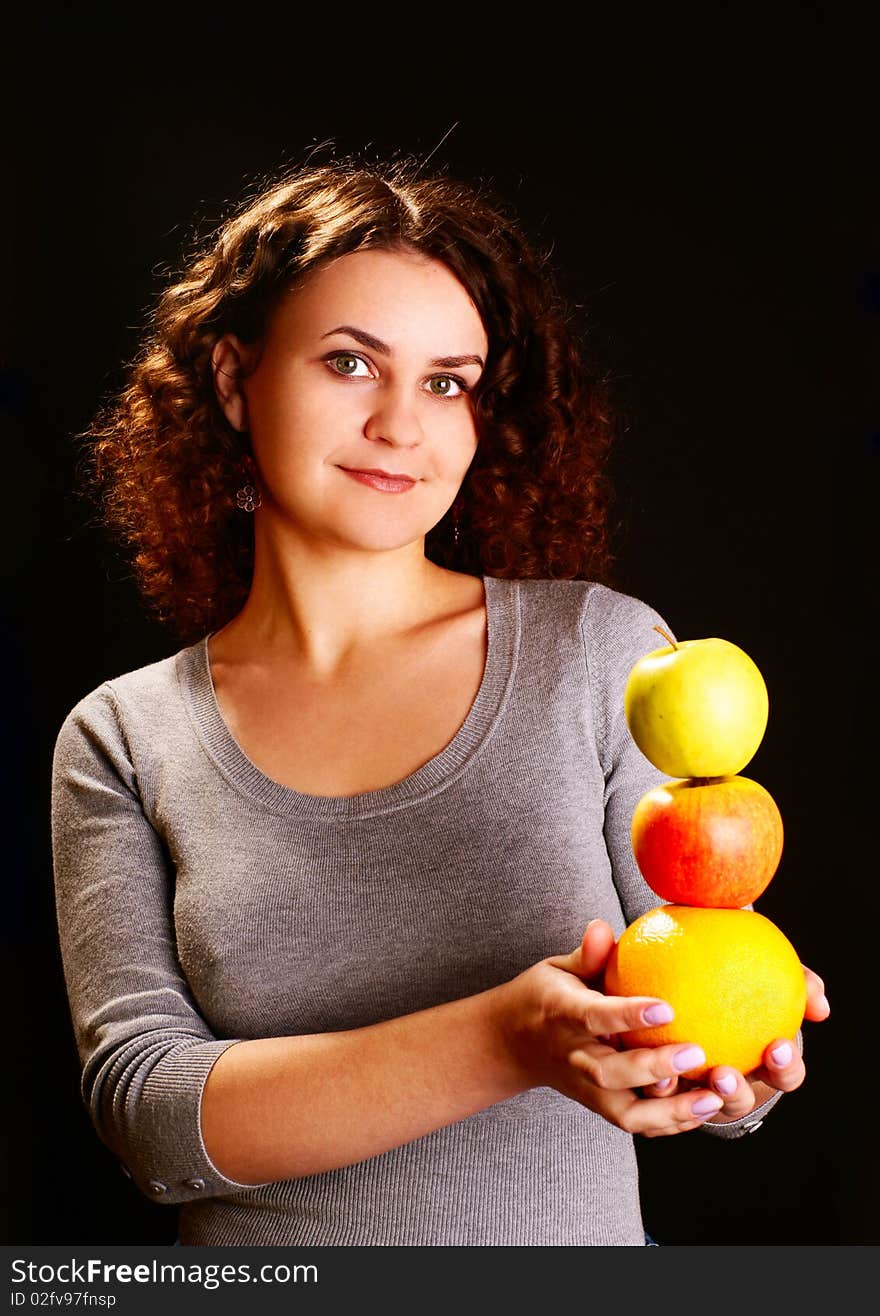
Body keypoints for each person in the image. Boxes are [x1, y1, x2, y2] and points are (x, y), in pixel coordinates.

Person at [50, 156, 828, 1247]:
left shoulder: (601, 653)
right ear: (235, 379)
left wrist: (732, 1068)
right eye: (348, 362)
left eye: (446, 381)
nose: (399, 425)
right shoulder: (124, 736)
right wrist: (504, 1037)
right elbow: (149, 1118)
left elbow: (699, 983)